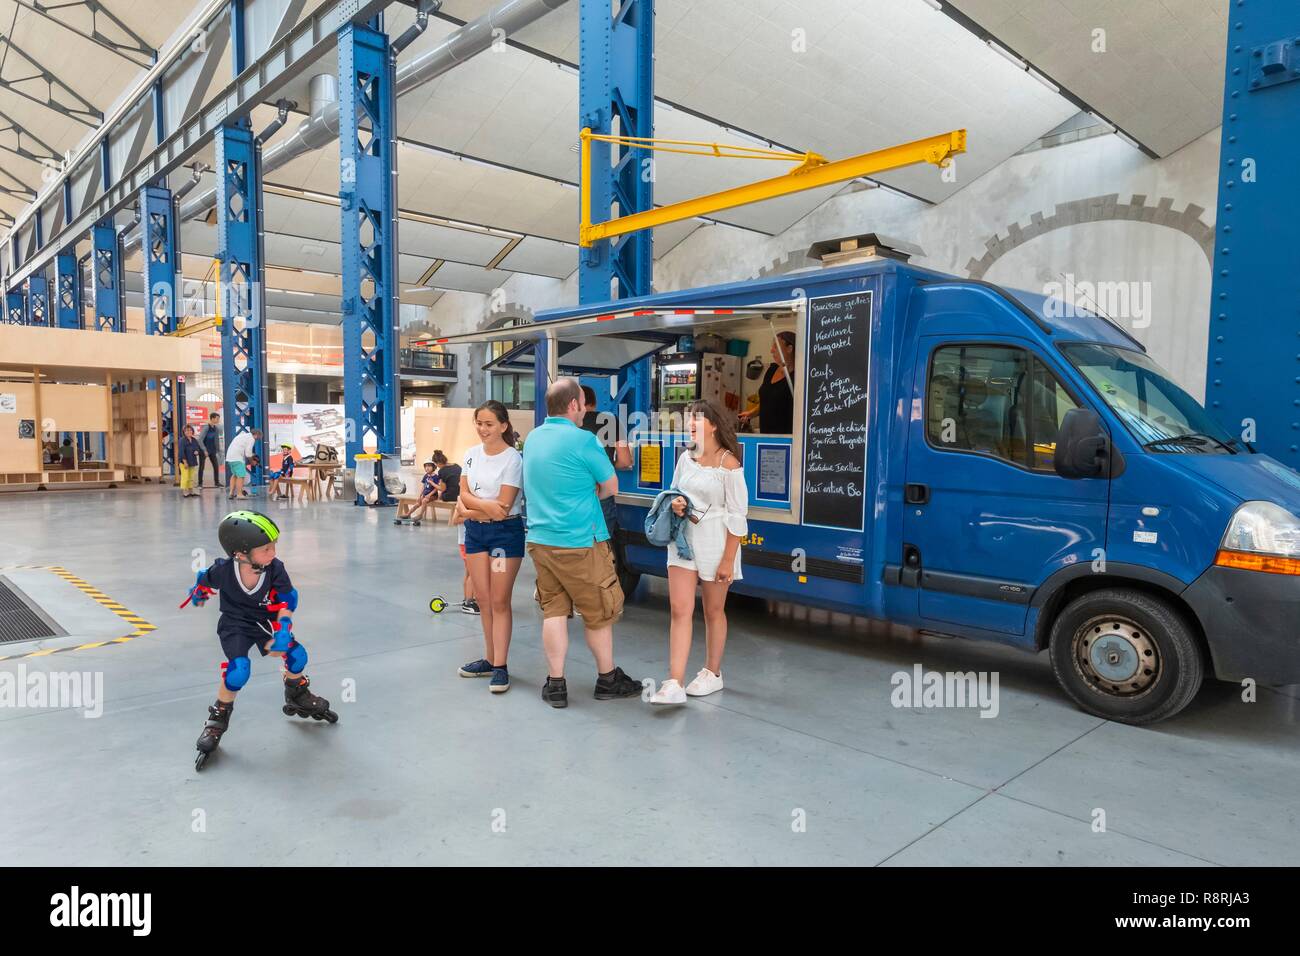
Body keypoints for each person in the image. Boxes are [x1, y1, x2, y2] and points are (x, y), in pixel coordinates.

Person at [522, 378, 642, 708]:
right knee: (598, 614)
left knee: (555, 611)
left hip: (541, 541)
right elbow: (611, 485)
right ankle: (607, 679)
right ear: (575, 405)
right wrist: (590, 493)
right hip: (581, 541)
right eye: (582, 405)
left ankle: (556, 684)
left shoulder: (533, 439)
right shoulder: (584, 440)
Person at [185, 511, 337, 769]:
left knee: (298, 655)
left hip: (265, 621)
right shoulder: (223, 570)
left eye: (274, 546)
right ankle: (217, 719)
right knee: (238, 671)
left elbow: (288, 600)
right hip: (235, 624)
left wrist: (284, 628)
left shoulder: (274, 569)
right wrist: (199, 592)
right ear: (240, 554)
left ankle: (296, 692)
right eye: (266, 548)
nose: (273, 553)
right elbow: (204, 577)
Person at [649, 399, 749, 705]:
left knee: (713, 611)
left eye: (697, 419)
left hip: (717, 544)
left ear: (714, 424)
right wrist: (676, 502)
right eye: (689, 419)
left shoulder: (729, 464)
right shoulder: (686, 457)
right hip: (682, 540)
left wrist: (729, 560)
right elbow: (674, 490)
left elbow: (738, 515)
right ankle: (674, 682)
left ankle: (712, 673)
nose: (691, 424)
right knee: (680, 610)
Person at [454, 402, 524, 693]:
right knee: (483, 600)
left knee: (499, 601)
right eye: (479, 423)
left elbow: (503, 509)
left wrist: (470, 509)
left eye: (489, 424)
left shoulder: (513, 459)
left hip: (502, 538)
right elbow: (462, 494)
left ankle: (501, 667)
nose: (483, 429)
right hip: (475, 536)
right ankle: (489, 658)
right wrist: (480, 508)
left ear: (503, 426)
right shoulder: (471, 455)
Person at [737, 330, 796, 434]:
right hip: (766, 435)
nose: (771, 350)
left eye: (776, 346)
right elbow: (767, 402)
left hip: (787, 438)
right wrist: (751, 413)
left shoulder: (798, 376)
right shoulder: (771, 370)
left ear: (789, 349)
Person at [396, 459, 440, 525]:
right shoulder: (426, 476)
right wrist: (420, 495)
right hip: (425, 495)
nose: (427, 468)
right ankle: (407, 514)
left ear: (433, 467)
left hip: (433, 496)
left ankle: (420, 515)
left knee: (424, 501)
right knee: (417, 503)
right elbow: (423, 486)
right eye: (426, 466)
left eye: (429, 466)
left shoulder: (436, 477)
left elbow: (436, 488)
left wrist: (429, 495)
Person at [224, 427, 261, 500]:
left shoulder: (242, 436)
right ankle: (239, 494)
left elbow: (244, 450)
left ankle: (231, 493)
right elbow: (248, 454)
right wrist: (252, 461)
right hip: (237, 458)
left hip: (230, 457)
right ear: (256, 434)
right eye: (259, 437)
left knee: (235, 475)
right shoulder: (251, 439)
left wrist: (252, 456)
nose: (259, 439)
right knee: (241, 476)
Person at [199, 412, 223, 488]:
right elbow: (200, 440)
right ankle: (200, 483)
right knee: (202, 467)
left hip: (212, 450)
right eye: (217, 418)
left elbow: (216, 440)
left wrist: (218, 450)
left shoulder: (216, 428)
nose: (218, 420)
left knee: (216, 466)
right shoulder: (206, 427)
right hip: (204, 450)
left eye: (218, 418)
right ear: (212, 418)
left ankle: (217, 482)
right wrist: (204, 450)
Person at [178, 425, 202, 498]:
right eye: (187, 430)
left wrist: (197, 452)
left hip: (192, 461)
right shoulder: (182, 440)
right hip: (184, 462)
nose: (189, 432)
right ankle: (185, 491)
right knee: (185, 477)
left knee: (191, 477)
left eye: (190, 430)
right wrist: (185, 462)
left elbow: (198, 448)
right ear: (184, 432)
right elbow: (181, 452)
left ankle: (191, 491)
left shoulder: (194, 440)